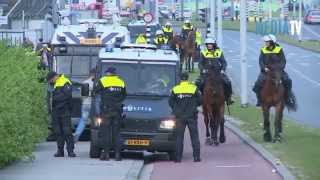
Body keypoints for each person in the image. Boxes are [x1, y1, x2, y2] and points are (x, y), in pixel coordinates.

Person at [252, 34, 294, 106]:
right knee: (257, 84)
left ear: (271, 42)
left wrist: (279, 68)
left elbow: (283, 61)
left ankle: (288, 97)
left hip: (278, 70)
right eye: (265, 41)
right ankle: (259, 100)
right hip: (266, 71)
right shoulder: (263, 49)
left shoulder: (279, 49)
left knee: (288, 80)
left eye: (267, 41)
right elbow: (261, 61)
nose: (265, 42)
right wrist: (264, 68)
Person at [95, 67, 126, 161]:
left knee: (106, 133)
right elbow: (124, 95)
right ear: (115, 73)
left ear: (108, 73)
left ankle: (106, 154)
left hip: (106, 111)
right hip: (117, 111)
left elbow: (95, 91)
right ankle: (117, 155)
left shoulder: (103, 81)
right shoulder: (121, 82)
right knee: (116, 133)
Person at [169, 72, 202, 163]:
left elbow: (170, 102)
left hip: (179, 117)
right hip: (192, 116)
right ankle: (196, 157)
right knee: (194, 137)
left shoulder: (175, 89)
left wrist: (176, 109)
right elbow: (200, 100)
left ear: (180, 78)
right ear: (187, 78)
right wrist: (193, 106)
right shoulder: (194, 88)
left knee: (179, 137)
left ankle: (178, 158)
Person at [197, 37, 234, 105]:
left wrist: (223, 70)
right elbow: (200, 63)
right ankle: (199, 99)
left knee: (228, 82)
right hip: (206, 73)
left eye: (210, 44)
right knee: (198, 83)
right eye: (208, 44)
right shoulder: (203, 52)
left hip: (218, 73)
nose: (209, 45)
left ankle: (229, 98)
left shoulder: (219, 52)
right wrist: (203, 70)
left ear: (214, 44)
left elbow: (224, 62)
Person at [46, 71, 76, 157]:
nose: (50, 82)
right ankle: (60, 151)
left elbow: (67, 96)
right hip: (55, 111)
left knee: (67, 131)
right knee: (58, 132)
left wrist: (55, 98)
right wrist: (49, 109)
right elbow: (48, 98)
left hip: (65, 110)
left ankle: (70, 151)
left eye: (51, 80)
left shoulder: (65, 82)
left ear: (55, 76)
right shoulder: (52, 84)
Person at [73, 69, 96, 142]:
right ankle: (95, 136)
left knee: (83, 120)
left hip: (85, 104)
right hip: (94, 104)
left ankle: (77, 133)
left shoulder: (85, 82)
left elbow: (81, 96)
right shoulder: (98, 83)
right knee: (96, 121)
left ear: (90, 74)